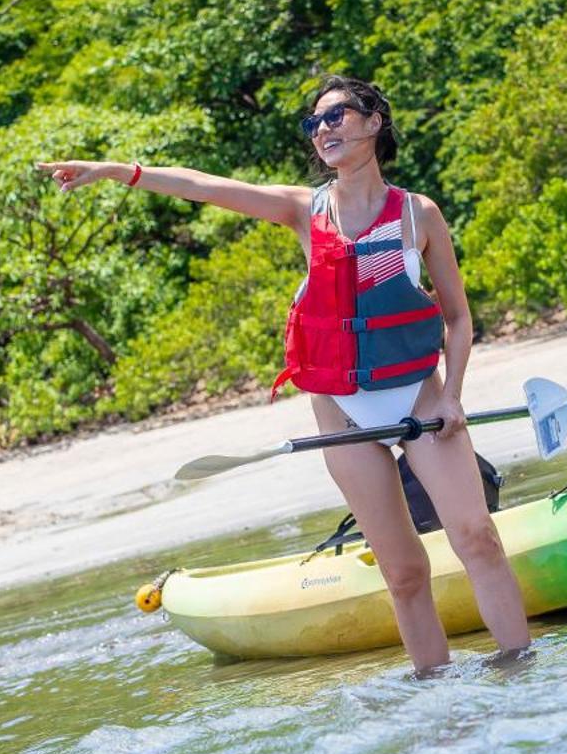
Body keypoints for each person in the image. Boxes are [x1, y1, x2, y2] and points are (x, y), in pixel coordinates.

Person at [39, 75, 530, 671]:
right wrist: (117, 170)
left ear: (375, 122)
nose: (323, 130)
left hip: (419, 401)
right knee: (403, 573)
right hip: (341, 411)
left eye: (336, 116)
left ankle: (520, 671)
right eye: (314, 123)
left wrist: (452, 396)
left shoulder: (418, 215)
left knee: (477, 538)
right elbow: (206, 188)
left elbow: (456, 318)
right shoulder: (304, 209)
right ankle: (436, 700)